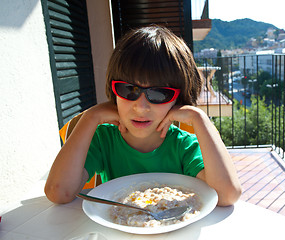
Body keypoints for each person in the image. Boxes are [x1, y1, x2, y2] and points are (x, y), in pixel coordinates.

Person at [45, 26, 242, 206]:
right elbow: (59, 192)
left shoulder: (183, 146)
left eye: (159, 94)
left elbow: (227, 195)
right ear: (114, 91)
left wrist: (199, 118)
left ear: (178, 100)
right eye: (128, 89)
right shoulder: (103, 140)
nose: (140, 107)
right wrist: (91, 117)